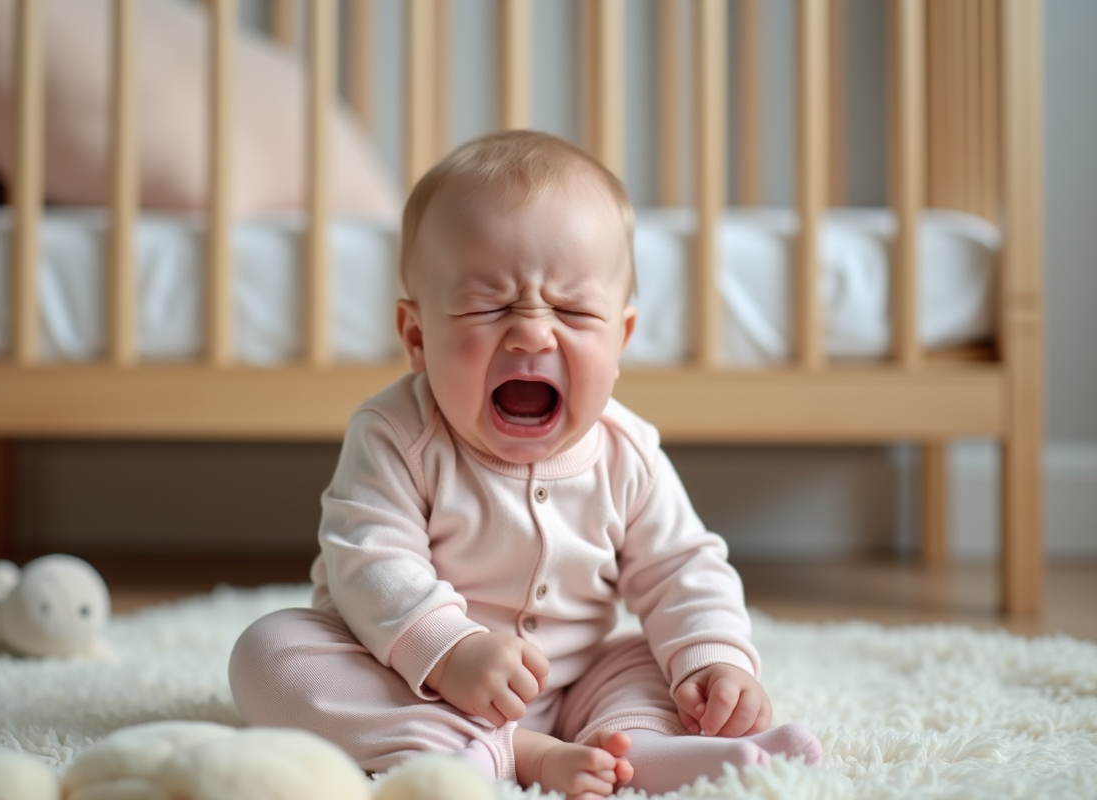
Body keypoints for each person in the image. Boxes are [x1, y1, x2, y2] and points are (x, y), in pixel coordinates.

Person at [229, 130, 821, 799]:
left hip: (573, 685)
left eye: (572, 309)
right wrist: (451, 651)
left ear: (620, 338)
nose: (533, 331)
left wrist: (714, 662)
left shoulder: (627, 453)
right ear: (418, 338)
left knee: (649, 655)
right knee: (271, 654)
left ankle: (643, 750)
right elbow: (369, 560)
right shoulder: (395, 433)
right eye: (489, 306)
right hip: (412, 680)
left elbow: (681, 566)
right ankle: (513, 754)